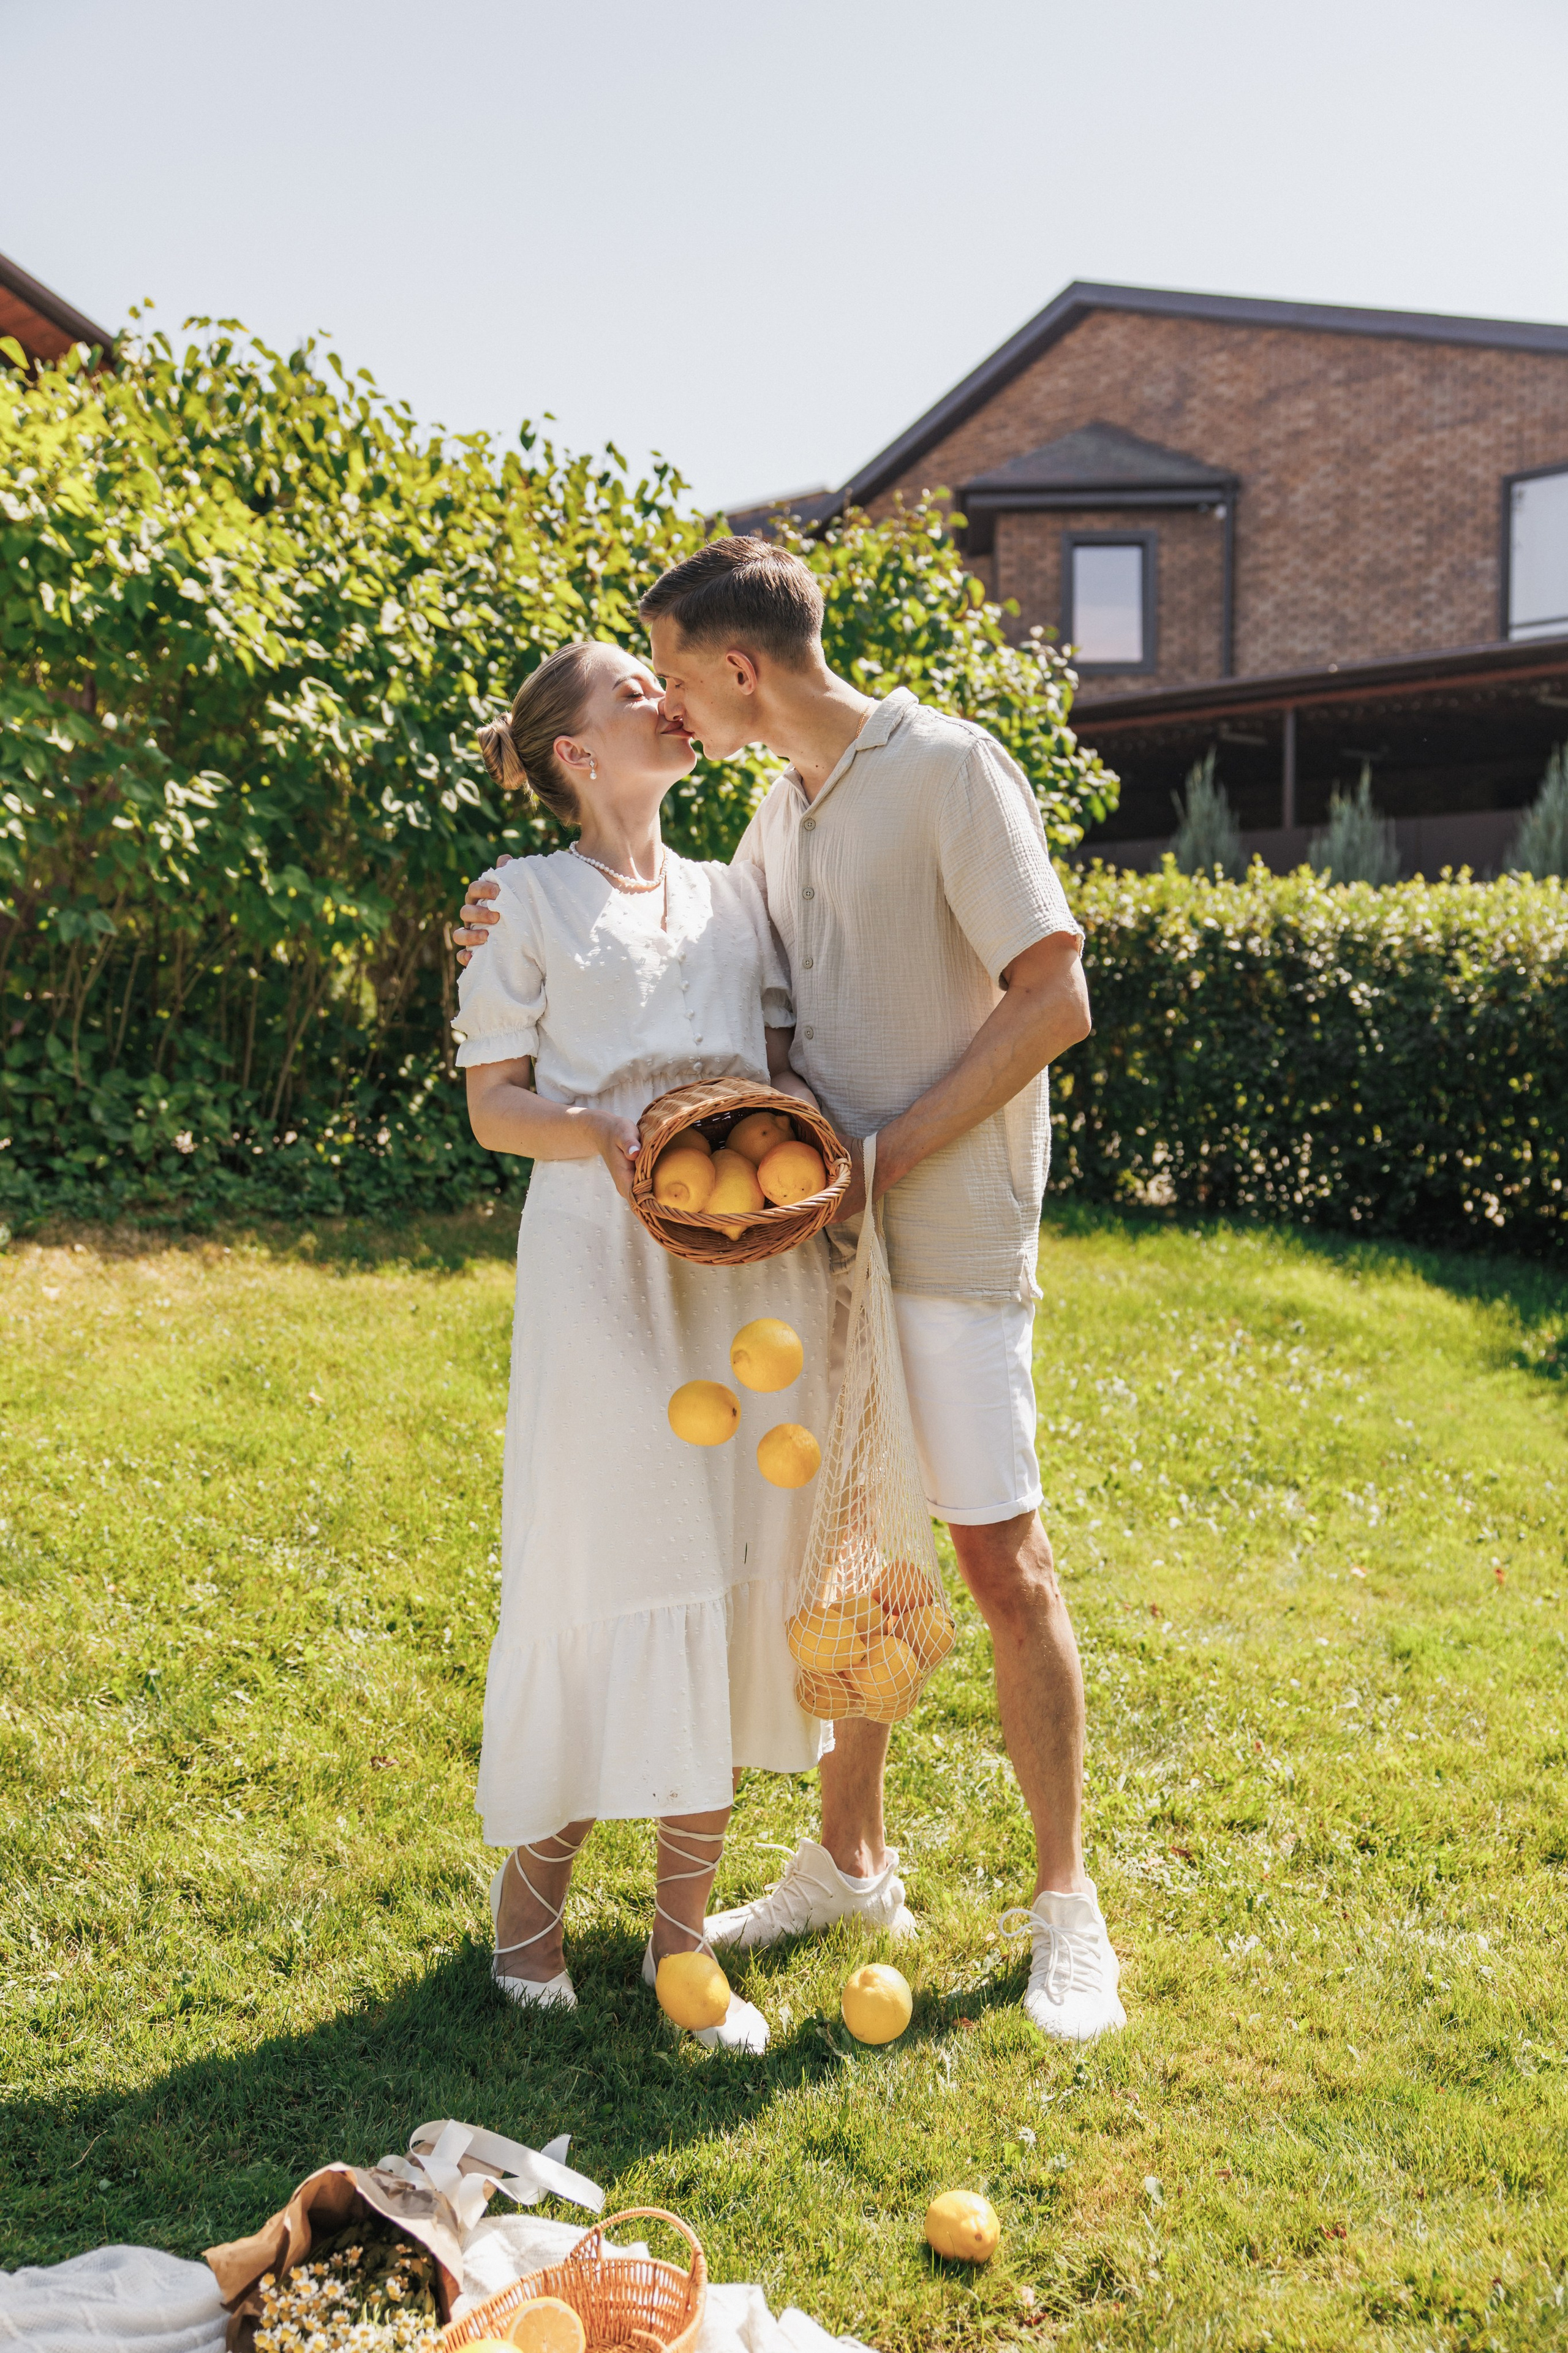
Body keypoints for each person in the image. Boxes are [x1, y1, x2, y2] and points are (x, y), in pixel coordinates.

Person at [455, 538, 1126, 2044]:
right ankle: (846, 1856)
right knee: (844, 1557)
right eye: (651, 691)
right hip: (802, 1249)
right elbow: (649, 967)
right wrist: (506, 932)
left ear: (736, 670)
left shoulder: (947, 768)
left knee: (998, 1564)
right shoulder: (772, 814)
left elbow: (1055, 996)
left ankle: (1064, 1911)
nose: (674, 706)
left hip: (928, 1234)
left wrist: (877, 1159)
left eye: (674, 672)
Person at [452, 635, 835, 2054]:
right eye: (631, 690)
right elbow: (495, 1103)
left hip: (739, 1270)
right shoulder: (522, 902)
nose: (664, 701)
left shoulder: (737, 892)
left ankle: (683, 1941)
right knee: (609, 1556)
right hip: (600, 1263)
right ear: (573, 753)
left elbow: (784, 1062)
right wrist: (600, 1135)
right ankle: (531, 1900)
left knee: (728, 1561)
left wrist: (792, 1157)